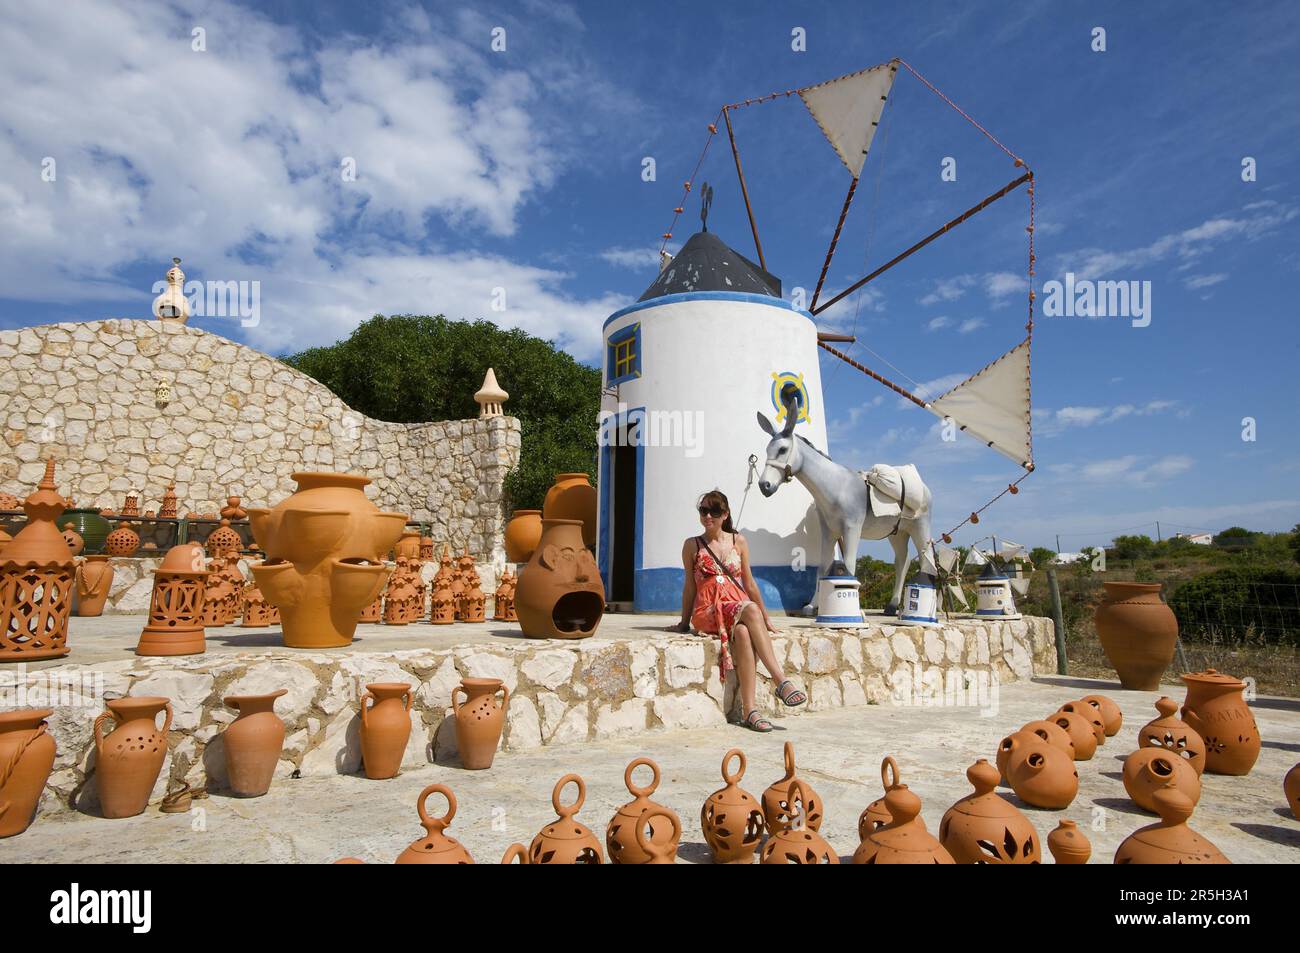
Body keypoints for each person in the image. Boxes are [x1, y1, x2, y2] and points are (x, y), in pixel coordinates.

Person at [666, 489, 806, 731]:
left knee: (743, 633)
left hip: (737, 606)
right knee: (750, 612)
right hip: (709, 609)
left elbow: (749, 583)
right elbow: (690, 586)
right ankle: (780, 680)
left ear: (725, 514)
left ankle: (750, 711)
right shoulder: (692, 545)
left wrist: (766, 619)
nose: (708, 515)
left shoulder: (738, 541)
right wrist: (684, 622)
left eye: (714, 511)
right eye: (703, 510)